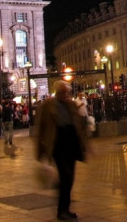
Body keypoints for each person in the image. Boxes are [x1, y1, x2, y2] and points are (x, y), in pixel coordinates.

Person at [36, 80, 89, 221]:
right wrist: (40, 152)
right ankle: (62, 210)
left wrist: (85, 144)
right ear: (57, 93)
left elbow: (79, 124)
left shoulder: (72, 104)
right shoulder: (47, 105)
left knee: (70, 177)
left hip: (71, 144)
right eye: (62, 92)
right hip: (57, 144)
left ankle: (65, 207)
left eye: (67, 92)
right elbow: (40, 128)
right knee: (65, 175)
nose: (65, 95)